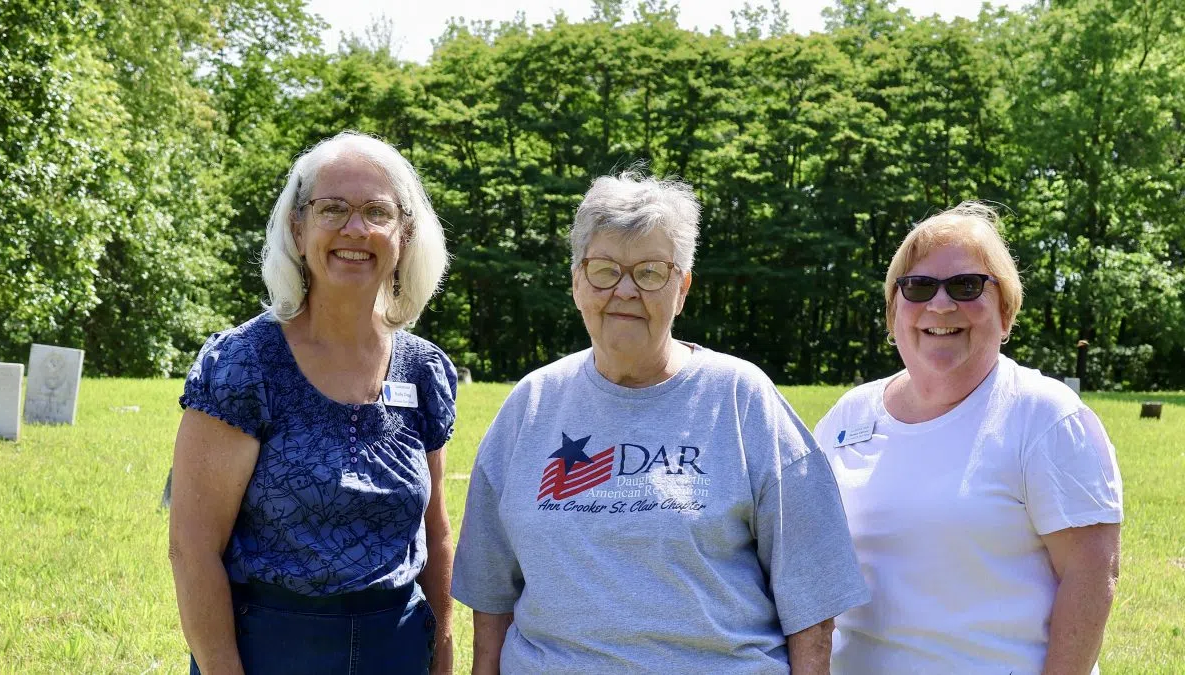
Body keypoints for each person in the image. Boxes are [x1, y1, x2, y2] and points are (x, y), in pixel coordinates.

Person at [451, 171, 869, 674]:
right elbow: (490, 598)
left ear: (683, 287)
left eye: (650, 272)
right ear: (577, 280)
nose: (625, 290)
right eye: (605, 269)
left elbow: (813, 601)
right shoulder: (531, 405)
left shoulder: (741, 399)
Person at [169, 131, 456, 674]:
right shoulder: (245, 364)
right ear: (297, 229)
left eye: (377, 211)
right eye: (333, 209)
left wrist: (442, 658)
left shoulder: (425, 369)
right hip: (270, 649)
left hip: (395, 649)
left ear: (405, 234)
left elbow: (435, 535)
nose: (356, 229)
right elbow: (192, 548)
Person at [814, 202, 1123, 675]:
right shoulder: (849, 415)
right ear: (894, 309)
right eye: (917, 287)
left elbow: (1089, 579)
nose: (940, 305)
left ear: (1004, 310)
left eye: (966, 285)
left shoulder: (1046, 417)